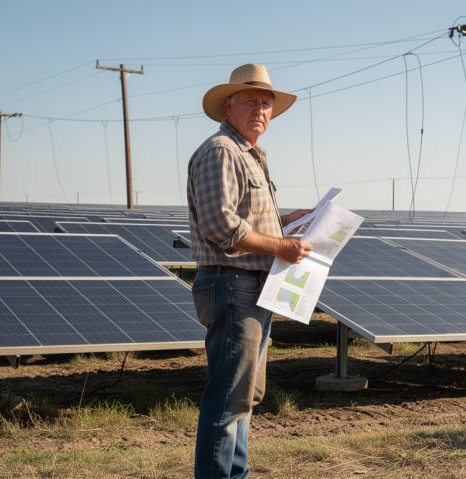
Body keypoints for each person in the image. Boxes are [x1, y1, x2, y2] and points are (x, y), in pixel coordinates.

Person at [187, 63, 313, 479]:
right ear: (229, 106)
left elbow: (247, 220)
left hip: (252, 286)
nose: (261, 109)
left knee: (243, 397)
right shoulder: (221, 150)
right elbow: (220, 224)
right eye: (251, 101)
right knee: (228, 398)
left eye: (267, 103)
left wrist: (288, 223)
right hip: (232, 283)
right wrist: (281, 245)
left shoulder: (251, 154)